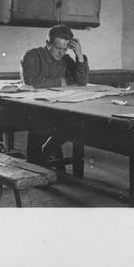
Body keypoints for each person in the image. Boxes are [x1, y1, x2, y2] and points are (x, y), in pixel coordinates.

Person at [20, 24, 89, 166]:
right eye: (58, 48)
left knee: (76, 124)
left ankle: (38, 159)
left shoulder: (65, 58)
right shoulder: (31, 55)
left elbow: (81, 82)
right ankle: (37, 161)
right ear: (48, 43)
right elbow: (31, 81)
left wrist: (80, 56)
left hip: (56, 105)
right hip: (32, 106)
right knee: (41, 122)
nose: (62, 53)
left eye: (65, 49)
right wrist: (61, 81)